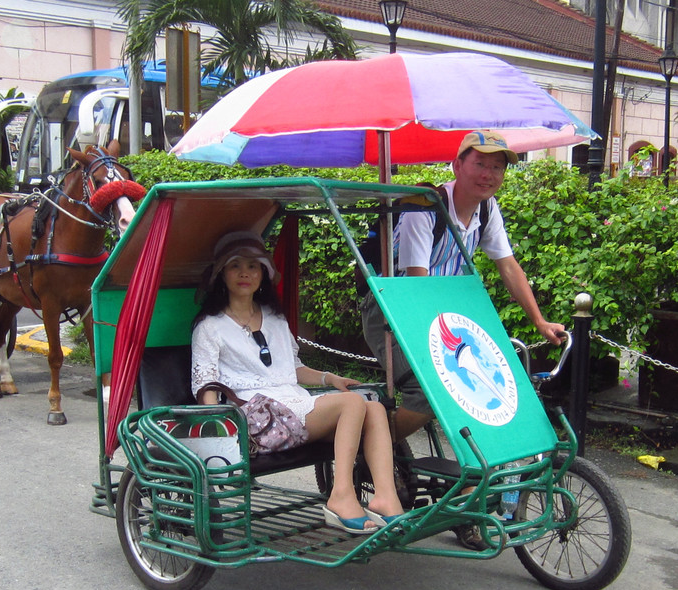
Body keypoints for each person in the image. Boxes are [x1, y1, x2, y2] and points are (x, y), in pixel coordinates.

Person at [360, 130, 566, 549]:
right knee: (428, 393)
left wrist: (541, 322)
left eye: (498, 166)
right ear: (457, 165)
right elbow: (416, 283)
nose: (489, 174)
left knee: (487, 394)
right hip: (394, 313)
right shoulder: (424, 209)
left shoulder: (488, 212)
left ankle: (464, 506)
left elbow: (508, 266)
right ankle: (374, 448)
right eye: (480, 163)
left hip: (444, 319)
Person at [192, 231, 405, 535]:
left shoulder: (275, 319)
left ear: (263, 273)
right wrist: (214, 430)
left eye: (253, 266)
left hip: (292, 404)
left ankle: (386, 498)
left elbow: (293, 368)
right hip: (254, 419)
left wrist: (329, 379)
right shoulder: (210, 327)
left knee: (374, 408)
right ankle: (342, 495)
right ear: (221, 274)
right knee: (353, 404)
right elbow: (205, 384)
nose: (244, 273)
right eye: (234, 266)